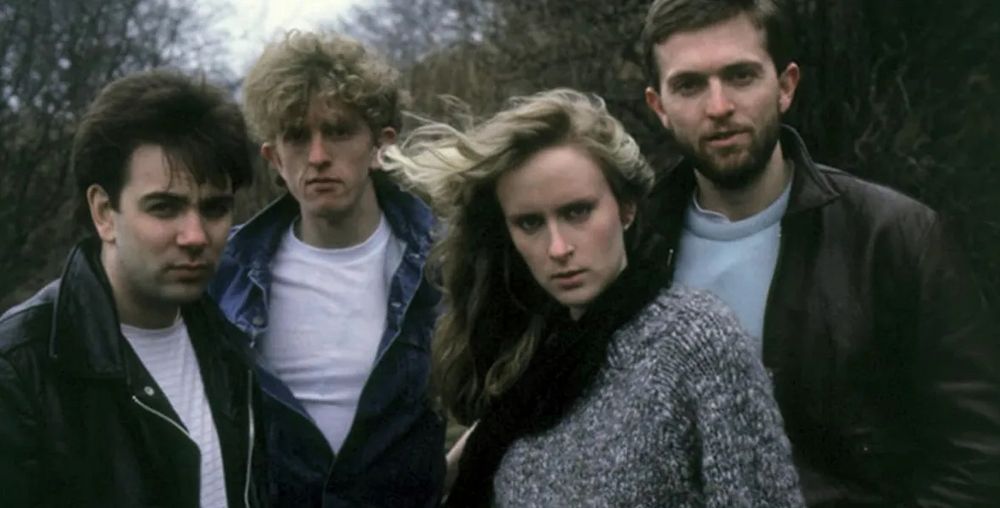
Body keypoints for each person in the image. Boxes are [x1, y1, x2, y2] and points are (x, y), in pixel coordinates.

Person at [641, 0, 1000, 506]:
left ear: (785, 86)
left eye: (741, 76)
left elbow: (978, 455)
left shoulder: (893, 237)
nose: (718, 106)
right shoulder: (633, 253)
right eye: (689, 85)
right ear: (659, 106)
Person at [383, 89, 803, 507]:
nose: (558, 248)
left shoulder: (697, 342)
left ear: (626, 208)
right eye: (530, 223)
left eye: (577, 212)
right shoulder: (525, 366)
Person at [0, 70, 275, 506]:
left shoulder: (231, 345)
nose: (195, 236)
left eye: (215, 208)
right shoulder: (21, 367)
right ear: (103, 212)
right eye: (164, 207)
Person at [209, 31, 445, 507]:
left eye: (338, 131)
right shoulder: (225, 272)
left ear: (380, 145)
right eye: (297, 136)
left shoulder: (443, 262)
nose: (317, 157)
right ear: (274, 158)